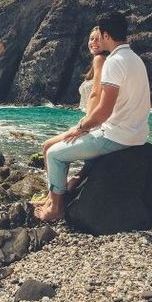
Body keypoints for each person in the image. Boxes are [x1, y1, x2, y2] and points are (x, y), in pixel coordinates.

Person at [34, 11, 152, 221]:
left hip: (116, 137)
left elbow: (103, 112)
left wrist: (80, 127)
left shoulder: (113, 62)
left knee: (53, 153)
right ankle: (62, 192)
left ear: (107, 35)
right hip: (137, 135)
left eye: (100, 35)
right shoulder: (135, 59)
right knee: (60, 148)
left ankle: (56, 209)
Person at [31, 27, 108, 206]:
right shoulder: (102, 60)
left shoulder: (100, 60)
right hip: (94, 121)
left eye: (98, 39)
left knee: (47, 146)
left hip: (92, 122)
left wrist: (84, 125)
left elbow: (96, 94)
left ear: (105, 40)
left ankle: (53, 199)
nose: (93, 43)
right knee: (82, 168)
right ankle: (61, 191)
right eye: (91, 39)